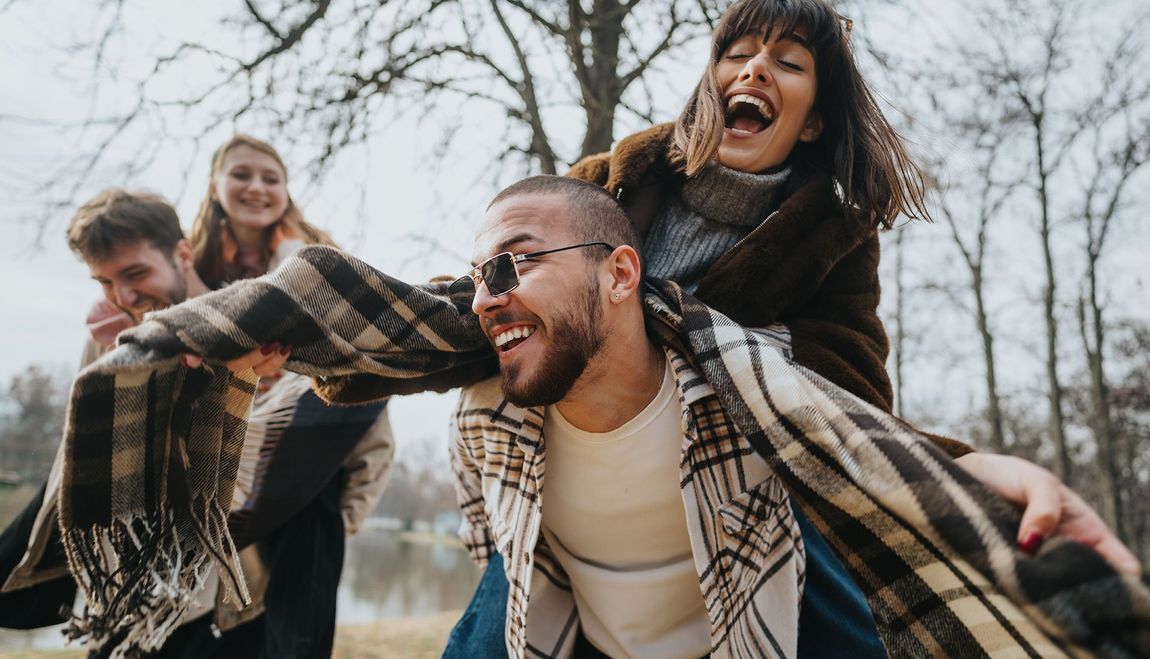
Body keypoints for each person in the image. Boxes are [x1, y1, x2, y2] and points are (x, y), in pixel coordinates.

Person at [445, 175, 1142, 657]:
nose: (483, 300)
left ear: (621, 274)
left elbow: (858, 445)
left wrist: (979, 475)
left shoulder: (747, 398)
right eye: (476, 278)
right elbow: (494, 550)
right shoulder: (484, 417)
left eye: (512, 265)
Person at [0, 188, 395, 659]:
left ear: (182, 254)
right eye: (104, 281)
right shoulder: (111, 344)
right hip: (134, 591)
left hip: (234, 596)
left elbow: (351, 442)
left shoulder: (259, 329)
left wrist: (332, 531)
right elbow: (87, 459)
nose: (123, 297)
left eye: (135, 274)